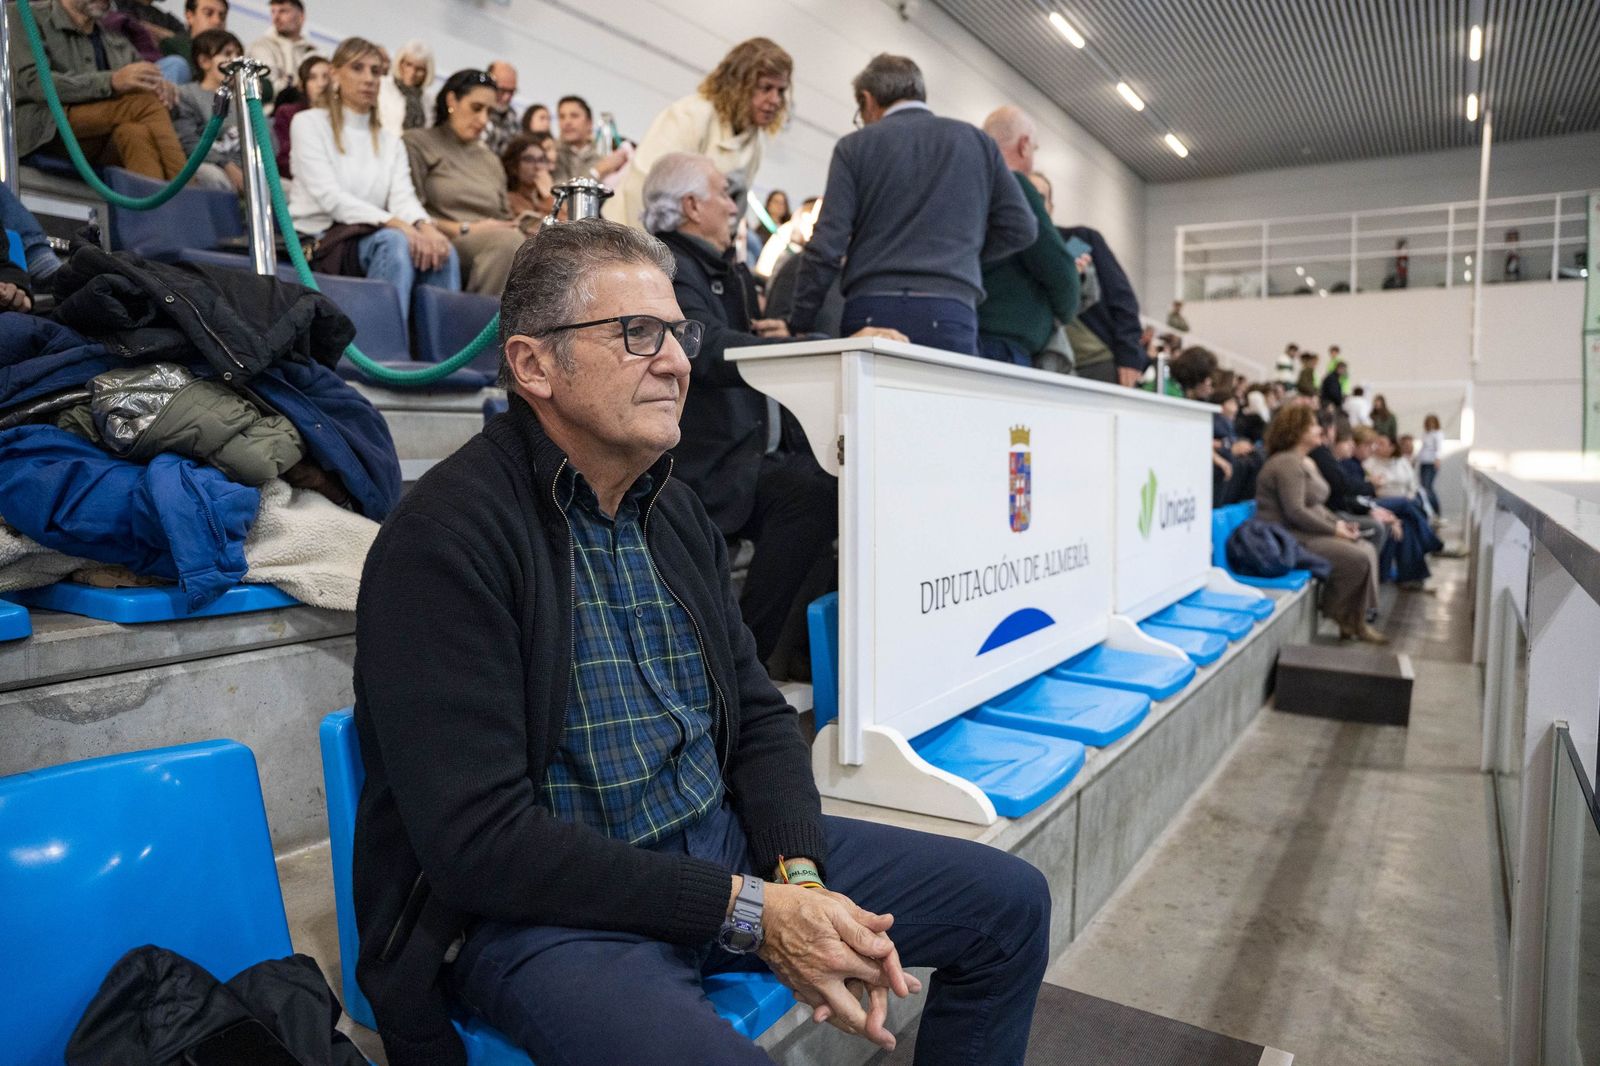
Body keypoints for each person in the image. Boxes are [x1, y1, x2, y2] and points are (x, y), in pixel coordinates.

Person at [351, 217, 1052, 1066]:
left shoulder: (672, 508)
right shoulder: (444, 540)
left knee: (1009, 904)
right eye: (637, 335)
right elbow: (482, 848)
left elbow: (757, 717)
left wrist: (795, 880)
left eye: (677, 332)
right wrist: (749, 912)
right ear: (534, 364)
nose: (680, 362)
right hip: (549, 917)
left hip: (720, 854)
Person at [641, 151, 903, 678]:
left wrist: (786, 340)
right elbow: (704, 345)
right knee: (814, 492)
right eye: (723, 193)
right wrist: (814, 348)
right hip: (704, 460)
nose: (734, 206)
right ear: (692, 205)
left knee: (830, 488)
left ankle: (768, 656)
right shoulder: (667, 265)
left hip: (744, 451)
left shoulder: (719, 268)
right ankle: (747, 661)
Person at [787, 54, 1035, 354]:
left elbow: (827, 245)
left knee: (869, 402)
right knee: (946, 401)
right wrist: (961, 254)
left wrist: (798, 322)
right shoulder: (977, 142)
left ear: (868, 100)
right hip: (951, 312)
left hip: (872, 310)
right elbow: (1022, 228)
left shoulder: (855, 146)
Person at [288, 36, 459, 323]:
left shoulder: (390, 141)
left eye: (376, 71)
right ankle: (383, 355)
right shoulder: (308, 123)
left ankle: (442, 362)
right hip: (320, 237)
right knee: (394, 243)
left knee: (443, 250)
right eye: (358, 68)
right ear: (335, 73)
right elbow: (330, 197)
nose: (369, 79)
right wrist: (397, 224)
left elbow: (402, 197)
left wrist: (425, 227)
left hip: (369, 235)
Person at [616, 38, 793, 232]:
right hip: (630, 234)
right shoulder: (692, 114)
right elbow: (642, 185)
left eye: (781, 91)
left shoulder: (756, 141)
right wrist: (646, 255)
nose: (775, 100)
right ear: (739, 84)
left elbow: (732, 212)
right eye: (766, 88)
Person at [9, 0, 188, 181]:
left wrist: (160, 86)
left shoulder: (114, 38)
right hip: (45, 127)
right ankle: (189, 194)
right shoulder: (24, 16)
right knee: (145, 104)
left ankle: (157, 207)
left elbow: (142, 82)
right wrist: (111, 81)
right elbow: (35, 84)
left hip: (96, 135)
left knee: (134, 134)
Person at [1256, 405, 1384, 643]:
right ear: (1297, 430)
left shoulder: (1303, 461)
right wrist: (1334, 529)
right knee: (1357, 557)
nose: (1319, 429)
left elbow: (1315, 506)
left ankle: (1354, 620)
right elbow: (1295, 511)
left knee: (1365, 548)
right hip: (1288, 537)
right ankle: (1340, 613)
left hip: (1305, 531)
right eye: (1313, 425)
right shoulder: (1286, 463)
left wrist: (1339, 524)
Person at [404, 69, 528, 296]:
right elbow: (408, 211)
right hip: (447, 240)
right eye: (476, 108)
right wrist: (468, 228)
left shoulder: (490, 160)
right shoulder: (418, 143)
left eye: (489, 112)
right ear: (452, 100)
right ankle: (484, 329)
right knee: (506, 243)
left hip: (497, 239)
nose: (483, 120)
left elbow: (503, 217)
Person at [974, 106, 1080, 366]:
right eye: (1034, 149)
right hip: (1004, 344)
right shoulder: (1016, 186)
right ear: (1023, 145)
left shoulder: (970, 185)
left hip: (970, 329)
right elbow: (1058, 268)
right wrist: (1065, 311)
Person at [1057, 223, 1146, 386]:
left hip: (1096, 362)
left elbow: (1122, 296)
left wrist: (1129, 354)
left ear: (1051, 206)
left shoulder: (1078, 240)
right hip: (1051, 364)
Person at [171, 28, 245, 193]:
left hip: (248, 172)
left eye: (238, 55)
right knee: (212, 177)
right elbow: (188, 142)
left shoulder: (246, 101)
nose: (235, 62)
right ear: (204, 61)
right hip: (211, 166)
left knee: (288, 190)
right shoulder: (186, 94)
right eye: (227, 54)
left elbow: (268, 145)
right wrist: (226, 165)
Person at [270, 53, 328, 178]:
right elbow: (284, 160)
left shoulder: (342, 116)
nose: (321, 84)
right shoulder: (287, 113)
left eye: (326, 77)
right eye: (313, 78)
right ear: (302, 85)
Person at [247, 0, 318, 99]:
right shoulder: (261, 46)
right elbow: (268, 89)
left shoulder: (314, 53)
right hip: (271, 113)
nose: (276, 18)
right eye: (273, 12)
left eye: (283, 11)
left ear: (301, 17)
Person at [553, 93, 629, 184]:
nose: (567, 122)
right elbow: (561, 195)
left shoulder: (602, 156)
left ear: (589, 122)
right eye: (562, 117)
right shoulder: (552, 157)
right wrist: (597, 172)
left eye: (574, 116)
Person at [156, 0, 226, 83]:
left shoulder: (230, 58)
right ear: (190, 16)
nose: (217, 21)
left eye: (222, 16)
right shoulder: (171, 46)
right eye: (208, 13)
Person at [377, 40, 433, 134]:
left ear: (427, 72)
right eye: (408, 65)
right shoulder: (381, 86)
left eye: (419, 69)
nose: (412, 73)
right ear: (400, 63)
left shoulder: (429, 100)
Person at [502, 133, 556, 218]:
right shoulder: (509, 200)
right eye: (529, 160)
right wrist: (549, 197)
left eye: (541, 160)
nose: (537, 166)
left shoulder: (544, 199)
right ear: (513, 167)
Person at [481, 59, 521, 156]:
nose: (506, 97)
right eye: (501, 90)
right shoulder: (473, 110)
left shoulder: (513, 118)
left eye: (511, 92)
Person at [745, 188, 789, 264]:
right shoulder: (760, 229)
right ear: (769, 204)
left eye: (782, 203)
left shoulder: (788, 229)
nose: (779, 206)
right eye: (776, 202)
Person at [1417, 413, 1443, 514]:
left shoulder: (1438, 433)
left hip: (1432, 462)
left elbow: (1439, 448)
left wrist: (1437, 459)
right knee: (1423, 488)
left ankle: (1436, 510)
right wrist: (1416, 459)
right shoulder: (1425, 434)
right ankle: (1427, 511)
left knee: (1428, 487)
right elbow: (1422, 448)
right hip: (1424, 461)